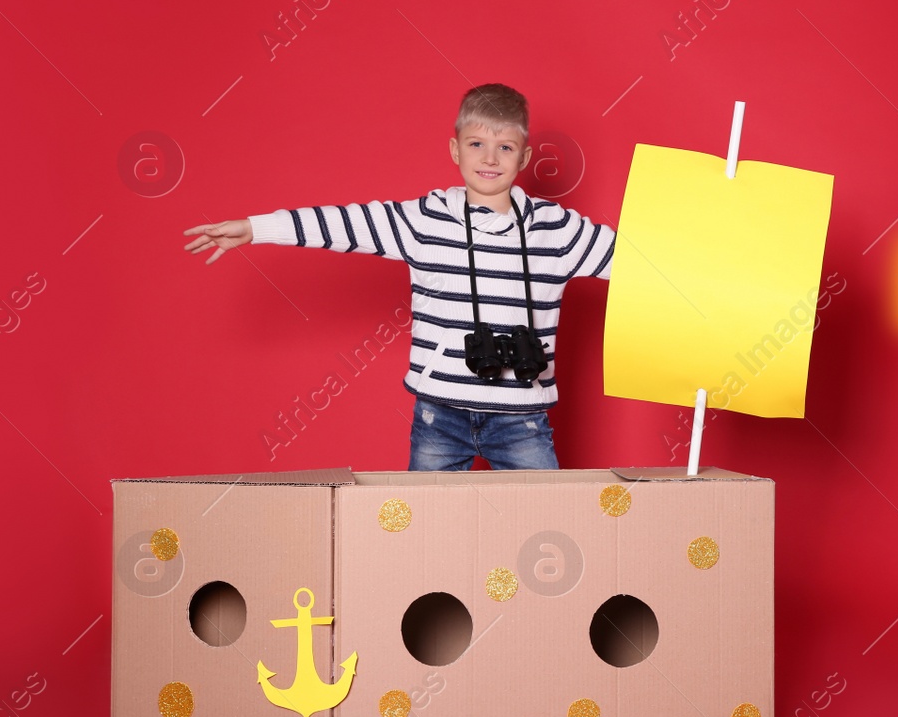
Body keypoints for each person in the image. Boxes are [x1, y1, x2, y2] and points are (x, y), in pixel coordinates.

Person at [181, 83, 614, 471]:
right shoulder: (424, 220)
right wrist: (257, 227)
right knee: (421, 538)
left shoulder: (555, 229)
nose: (488, 158)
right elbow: (345, 224)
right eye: (476, 142)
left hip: (523, 415)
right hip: (439, 415)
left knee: (549, 522)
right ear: (454, 150)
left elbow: (636, 262)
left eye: (504, 147)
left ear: (525, 156)